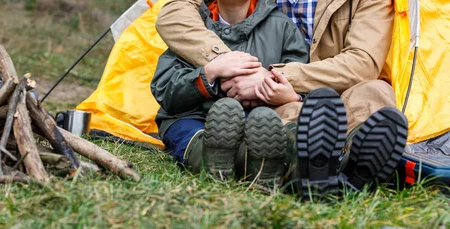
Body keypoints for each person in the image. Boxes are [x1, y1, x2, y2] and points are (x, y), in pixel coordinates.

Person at [156, 0, 409, 198]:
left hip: (316, 86)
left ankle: (353, 165)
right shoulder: (235, 14)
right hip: (270, 99)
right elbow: (174, 14)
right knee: (287, 117)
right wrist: (231, 65)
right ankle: (319, 170)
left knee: (376, 91)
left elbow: (363, 63)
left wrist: (278, 78)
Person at [151, 0, 309, 183]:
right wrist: (209, 73)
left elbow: (296, 77)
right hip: (192, 114)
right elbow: (165, 89)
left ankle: (265, 162)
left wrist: (261, 89)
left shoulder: (281, 26)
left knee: (269, 128)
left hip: (260, 117)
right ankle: (212, 161)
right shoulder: (191, 25)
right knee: (189, 134)